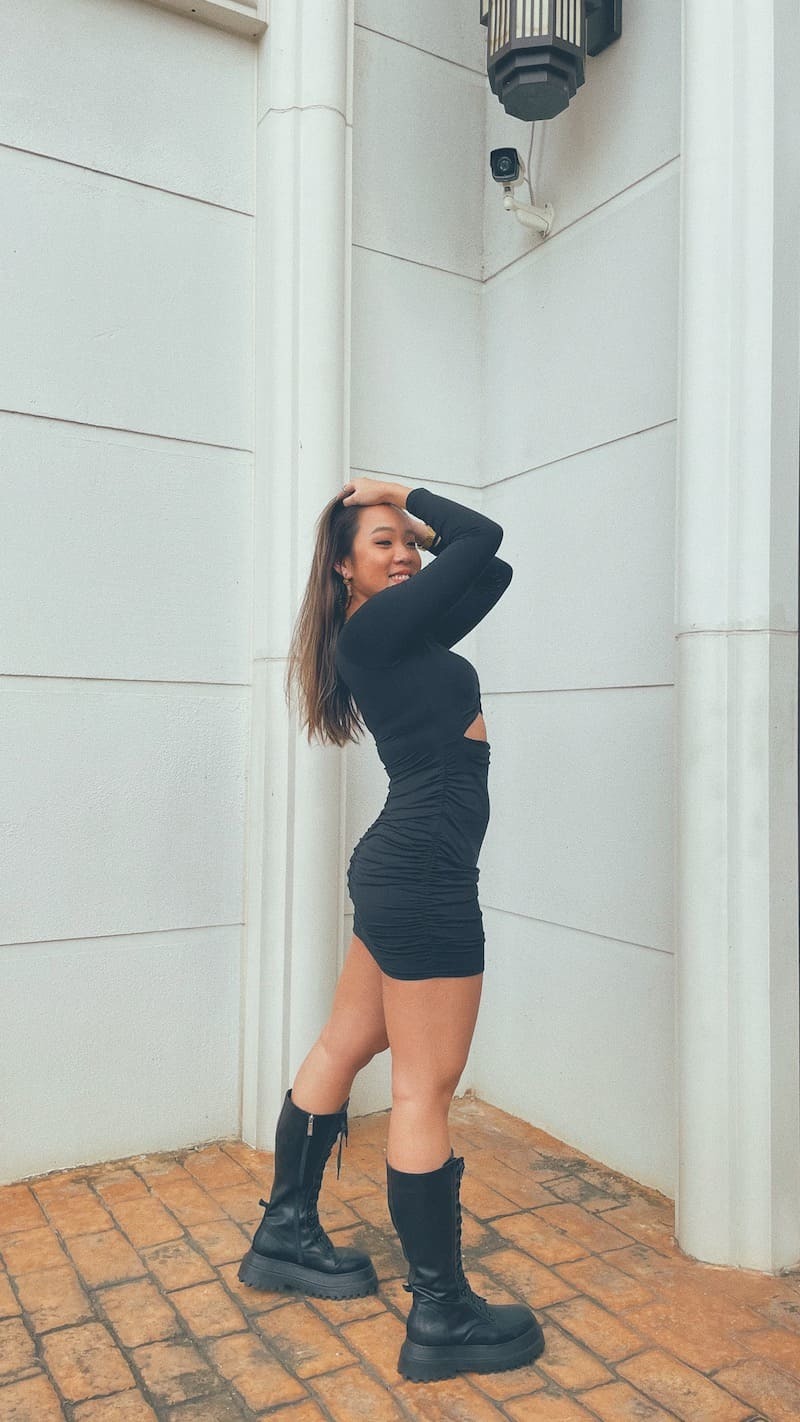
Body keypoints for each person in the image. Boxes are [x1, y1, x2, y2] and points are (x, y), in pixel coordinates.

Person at [238, 476, 545, 1382]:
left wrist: (407, 535)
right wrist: (397, 493)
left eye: (409, 540)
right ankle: (442, 1315)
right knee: (424, 1090)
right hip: (425, 876)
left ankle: (285, 1233)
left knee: (347, 1042)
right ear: (342, 567)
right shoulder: (374, 629)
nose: (406, 551)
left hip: (400, 868)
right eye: (384, 542)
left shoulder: (400, 631)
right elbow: (481, 537)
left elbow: (492, 572)